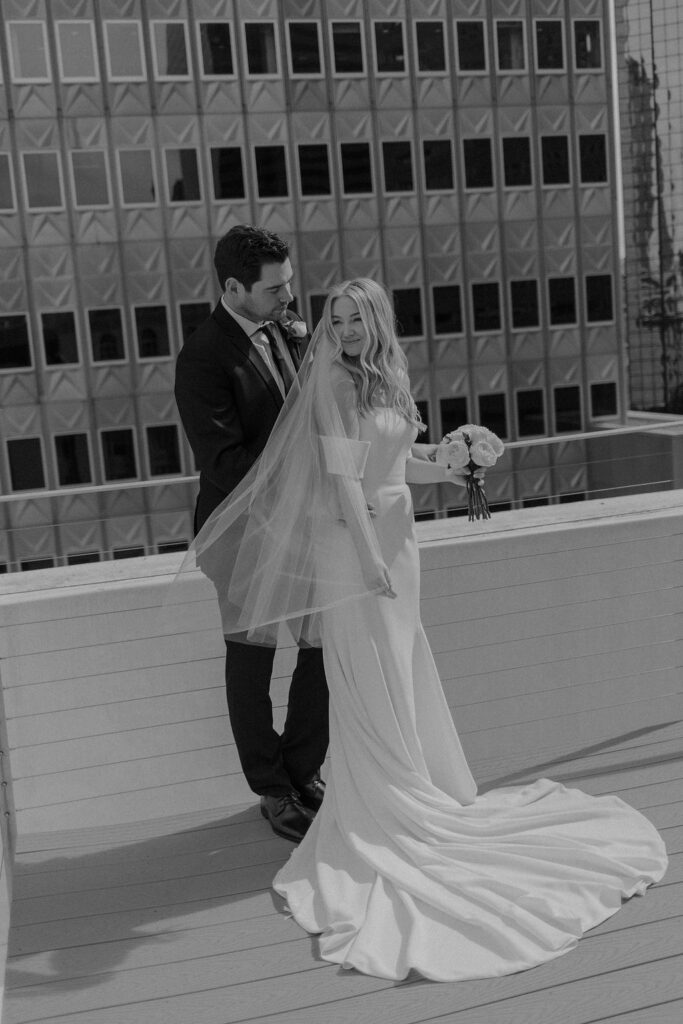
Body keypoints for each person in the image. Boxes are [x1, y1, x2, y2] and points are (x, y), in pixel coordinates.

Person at [185, 278, 668, 982]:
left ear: (377, 320)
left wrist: (450, 467)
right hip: (356, 541)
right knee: (369, 667)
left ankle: (412, 775)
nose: (344, 329)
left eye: (355, 318)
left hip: (397, 535)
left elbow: (391, 464)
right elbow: (344, 479)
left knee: (401, 663)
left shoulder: (381, 376)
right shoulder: (332, 380)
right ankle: (382, 800)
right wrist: (366, 557)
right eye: (335, 318)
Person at [174, 225, 328, 843]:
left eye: (290, 285)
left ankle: (302, 769)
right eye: (274, 291)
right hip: (240, 533)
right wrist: (307, 468)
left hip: (304, 526)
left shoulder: (291, 329)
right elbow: (225, 464)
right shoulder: (202, 358)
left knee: (322, 644)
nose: (289, 300)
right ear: (233, 288)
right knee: (253, 660)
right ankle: (271, 789)